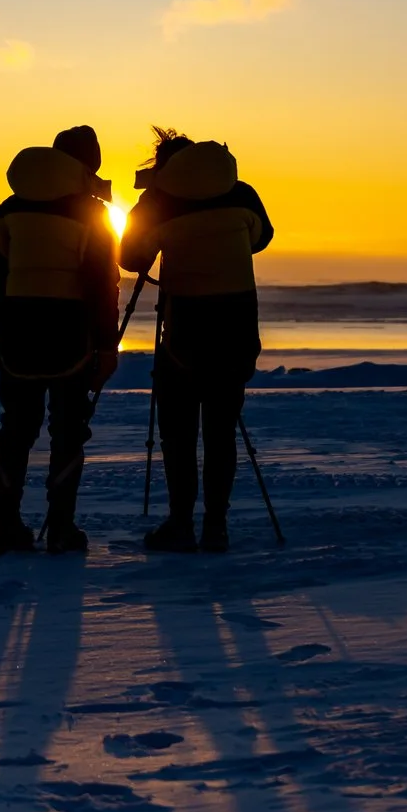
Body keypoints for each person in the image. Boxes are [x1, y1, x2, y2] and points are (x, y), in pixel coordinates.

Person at [119, 128, 272, 554]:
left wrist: (151, 211)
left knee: (179, 433)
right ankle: (216, 528)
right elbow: (262, 238)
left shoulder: (158, 202)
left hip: (184, 332)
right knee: (221, 431)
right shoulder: (241, 194)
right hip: (238, 328)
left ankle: (181, 523)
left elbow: (130, 258)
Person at [0, 125, 121, 555]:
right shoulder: (92, 215)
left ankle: (6, 528)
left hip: (18, 333)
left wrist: (2, 332)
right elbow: (103, 285)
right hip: (70, 336)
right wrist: (105, 346)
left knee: (16, 431)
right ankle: (61, 529)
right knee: (68, 433)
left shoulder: (5, 211)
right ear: (88, 165)